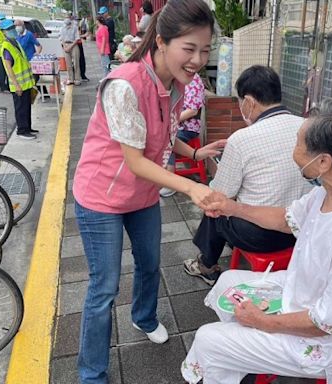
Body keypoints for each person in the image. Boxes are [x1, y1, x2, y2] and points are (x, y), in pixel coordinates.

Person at [181, 97, 332, 384]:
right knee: (227, 282)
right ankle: (243, 356)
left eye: (298, 143)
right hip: (306, 293)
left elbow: (331, 322)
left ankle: (237, 350)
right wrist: (233, 208)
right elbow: (288, 218)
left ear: (323, 161)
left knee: (208, 339)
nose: (293, 150)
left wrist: (264, 323)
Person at [72, 1, 224, 382]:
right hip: (101, 198)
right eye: (189, 48)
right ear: (160, 41)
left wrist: (193, 152)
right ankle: (91, 374)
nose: (197, 60)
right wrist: (191, 186)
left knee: (150, 264)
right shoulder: (124, 84)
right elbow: (137, 160)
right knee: (104, 287)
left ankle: (143, 317)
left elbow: (161, 138)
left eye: (205, 50)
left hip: (141, 196)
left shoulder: (174, 85)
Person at [182, 66, 308, 286]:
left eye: (241, 101)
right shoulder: (308, 128)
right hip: (302, 227)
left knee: (215, 206)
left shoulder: (242, 139)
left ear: (249, 102)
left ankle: (206, 265)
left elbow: (220, 192)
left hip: (261, 235)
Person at [159, 71, 205, 197]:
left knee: (166, 139)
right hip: (176, 124)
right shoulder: (177, 78)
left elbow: (192, 111)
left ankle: (170, 181)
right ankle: (161, 176)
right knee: (159, 135)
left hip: (187, 127)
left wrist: (170, 120)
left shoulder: (193, 80)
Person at [0, 19, 37, 140]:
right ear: (4, 32)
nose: (13, 30)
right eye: (9, 29)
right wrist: (16, 85)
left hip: (26, 83)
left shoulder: (15, 42)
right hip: (19, 85)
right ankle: (22, 130)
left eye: (12, 28)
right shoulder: (6, 47)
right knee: (21, 108)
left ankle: (28, 128)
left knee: (27, 107)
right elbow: (8, 68)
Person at [60, 15, 81, 86]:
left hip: (74, 45)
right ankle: (70, 79)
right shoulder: (62, 28)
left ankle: (77, 79)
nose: (66, 19)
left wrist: (70, 46)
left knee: (76, 63)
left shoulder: (74, 27)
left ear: (70, 19)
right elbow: (61, 38)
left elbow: (77, 38)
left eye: (67, 18)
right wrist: (64, 46)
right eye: (65, 18)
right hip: (65, 45)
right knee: (68, 64)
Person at [77, 15, 89, 82]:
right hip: (76, 45)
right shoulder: (74, 28)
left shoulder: (79, 27)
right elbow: (77, 36)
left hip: (79, 44)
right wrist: (83, 35)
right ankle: (80, 75)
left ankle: (82, 75)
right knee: (78, 61)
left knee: (81, 60)